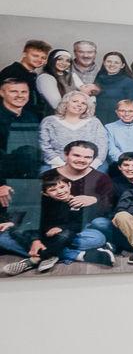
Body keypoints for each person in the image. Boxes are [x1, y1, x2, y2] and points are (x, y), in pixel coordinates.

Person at [0, 142, 113, 271]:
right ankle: (75, 255)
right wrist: (15, 224)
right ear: (66, 155)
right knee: (3, 238)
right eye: (76, 155)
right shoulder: (47, 177)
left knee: (96, 238)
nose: (81, 160)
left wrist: (94, 199)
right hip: (44, 227)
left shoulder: (101, 178)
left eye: (87, 157)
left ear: (93, 159)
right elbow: (32, 208)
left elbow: (108, 208)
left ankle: (37, 257)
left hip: (78, 227)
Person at [0, 78, 38, 238]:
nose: (20, 95)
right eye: (13, 91)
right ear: (2, 93)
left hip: (26, 182)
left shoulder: (32, 117)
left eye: (24, 91)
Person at [39, 89, 108, 169]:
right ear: (66, 103)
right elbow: (44, 146)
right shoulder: (49, 121)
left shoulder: (94, 122)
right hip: (57, 164)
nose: (79, 105)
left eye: (83, 103)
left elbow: (103, 146)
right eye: (75, 101)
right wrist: (61, 165)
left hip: (89, 165)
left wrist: (92, 166)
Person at [0, 39, 53, 118]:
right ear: (24, 54)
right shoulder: (12, 72)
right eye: (35, 56)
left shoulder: (31, 74)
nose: (39, 60)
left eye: (43, 58)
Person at [92, 50, 133, 123]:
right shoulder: (98, 79)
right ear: (104, 63)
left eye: (116, 62)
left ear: (122, 65)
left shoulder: (129, 82)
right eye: (109, 61)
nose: (112, 64)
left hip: (118, 121)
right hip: (97, 120)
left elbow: (132, 105)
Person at [35, 48, 73, 115]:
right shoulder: (46, 78)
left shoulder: (69, 76)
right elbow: (56, 105)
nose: (64, 63)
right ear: (52, 60)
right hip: (55, 116)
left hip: (71, 114)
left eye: (68, 61)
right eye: (59, 59)